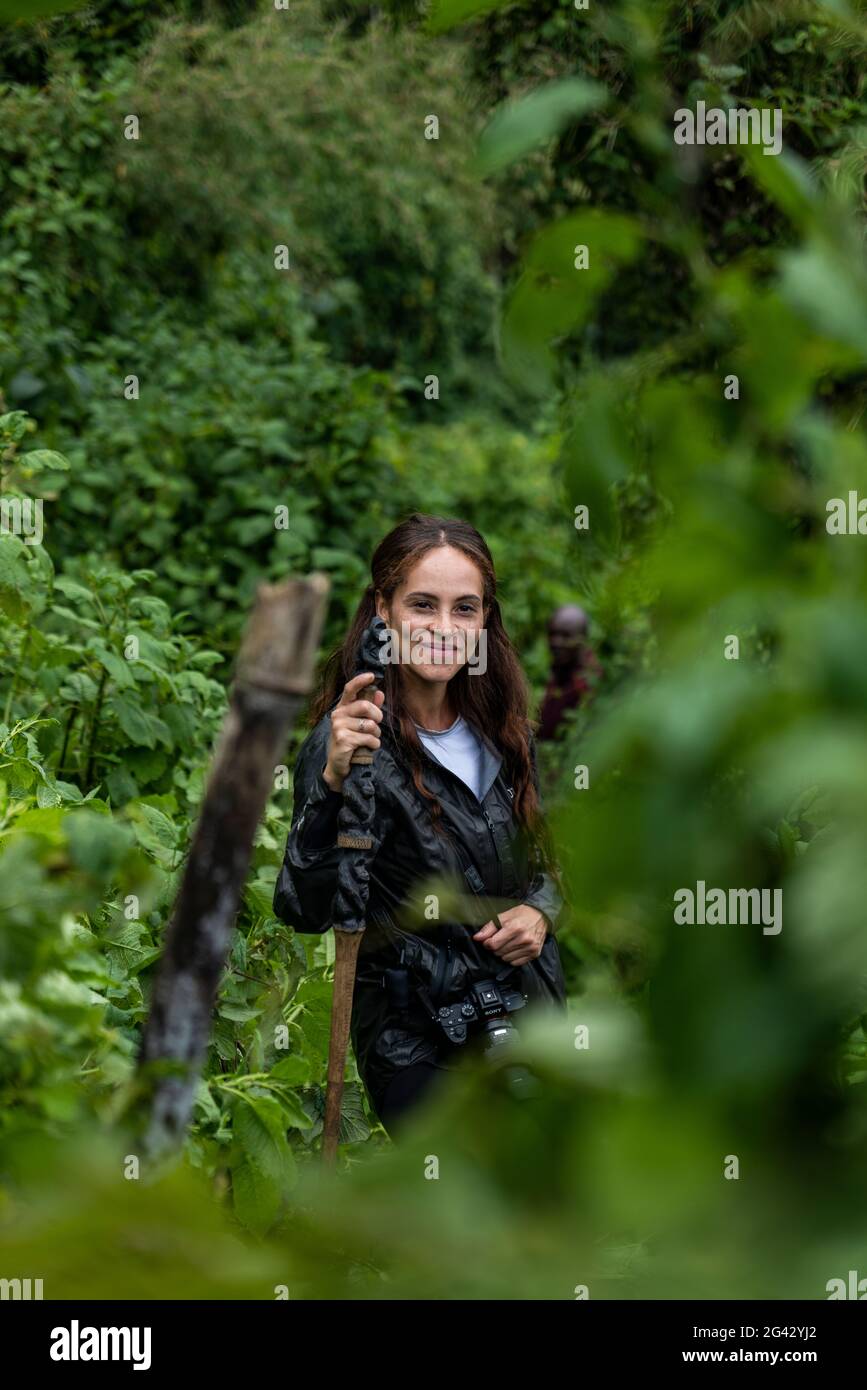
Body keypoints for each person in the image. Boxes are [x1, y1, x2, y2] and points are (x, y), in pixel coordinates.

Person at [273, 512, 567, 1136]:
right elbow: (303, 905)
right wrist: (329, 786)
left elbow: (551, 861)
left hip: (525, 1006)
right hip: (415, 1035)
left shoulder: (505, 731)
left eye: (465, 609)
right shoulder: (351, 740)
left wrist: (540, 910)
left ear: (485, 619)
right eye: (422, 605)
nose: (442, 628)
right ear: (384, 609)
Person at [537, 604, 602, 742]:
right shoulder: (562, 669)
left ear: (582, 638)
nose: (556, 642)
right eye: (552, 634)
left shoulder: (590, 680)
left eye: (566, 636)